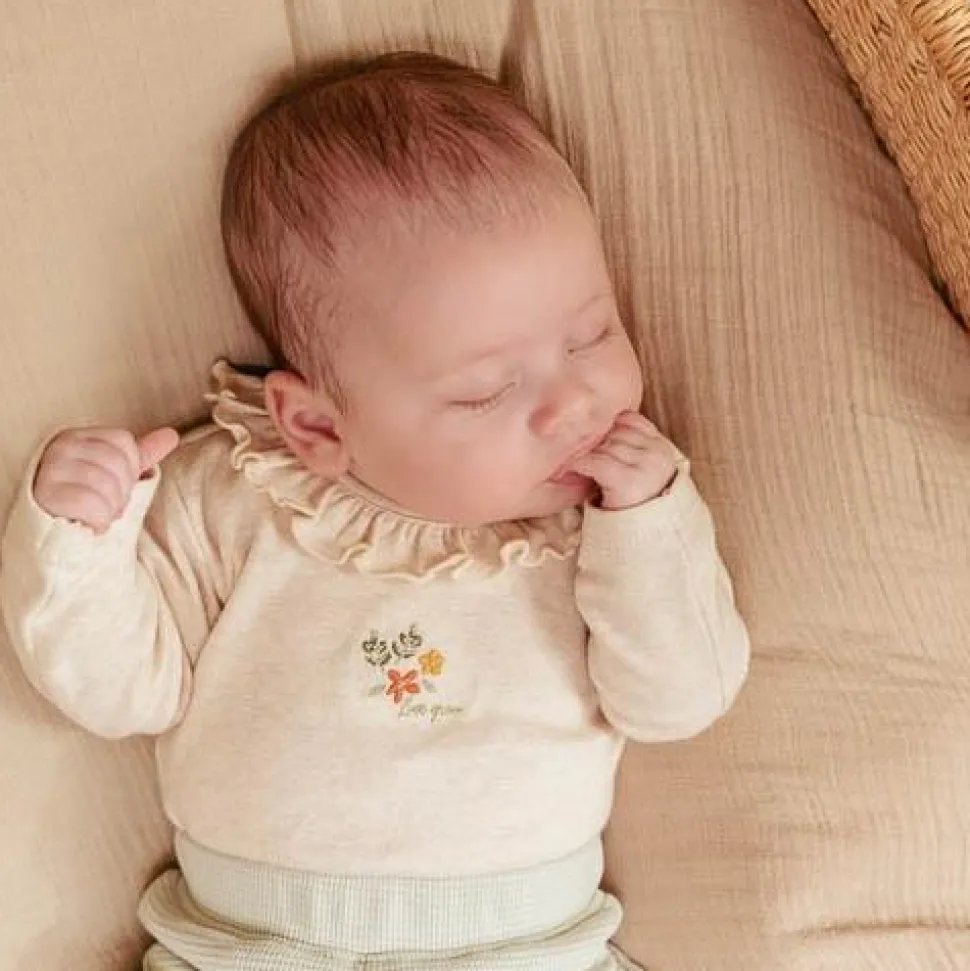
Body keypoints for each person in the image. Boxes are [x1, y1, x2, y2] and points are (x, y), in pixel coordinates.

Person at [0, 52, 749, 970]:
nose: (572, 403)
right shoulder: (232, 496)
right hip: (252, 950)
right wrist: (77, 541)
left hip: (527, 949)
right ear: (318, 425)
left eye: (591, 334)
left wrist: (651, 525)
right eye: (485, 390)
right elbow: (120, 689)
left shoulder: (600, 520)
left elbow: (678, 699)